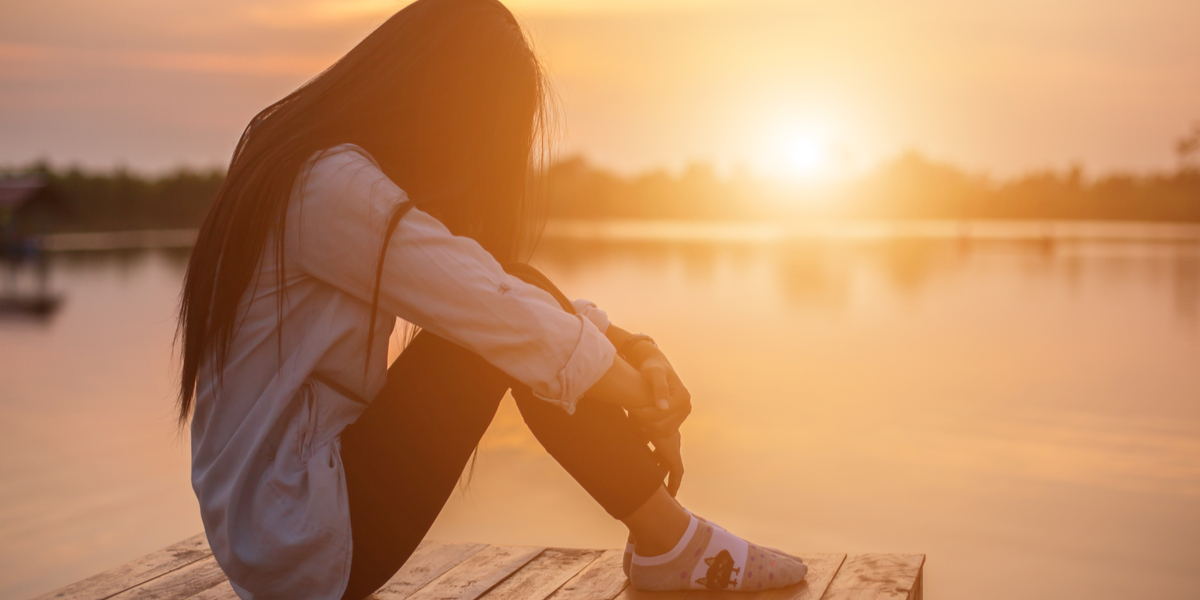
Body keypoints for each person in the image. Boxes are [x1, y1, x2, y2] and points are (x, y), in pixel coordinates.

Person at [176, 1, 807, 598]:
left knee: (515, 300)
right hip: (303, 544)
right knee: (509, 330)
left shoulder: (305, 164)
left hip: (282, 528)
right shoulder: (332, 187)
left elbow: (503, 288)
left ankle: (667, 537)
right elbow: (510, 318)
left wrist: (638, 350)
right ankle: (672, 542)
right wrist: (650, 403)